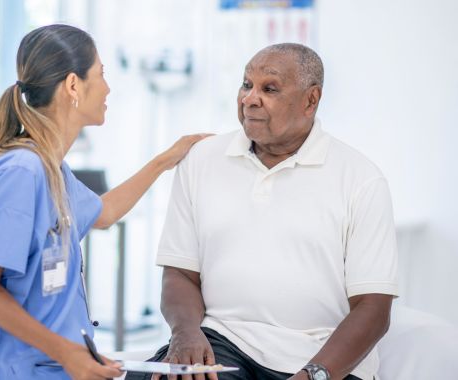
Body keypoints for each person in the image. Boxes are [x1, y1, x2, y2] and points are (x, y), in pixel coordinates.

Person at [125, 44, 398, 380]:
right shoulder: (202, 160)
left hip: (317, 357)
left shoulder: (361, 179)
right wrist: (185, 333)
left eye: (269, 89)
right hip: (223, 344)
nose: (249, 99)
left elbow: (373, 309)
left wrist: (316, 374)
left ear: (310, 100)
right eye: (245, 84)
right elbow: (180, 272)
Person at [0, 24, 209, 380]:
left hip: (56, 368)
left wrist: (167, 160)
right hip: (18, 371)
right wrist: (67, 353)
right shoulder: (21, 171)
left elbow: (104, 213)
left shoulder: (52, 168)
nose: (108, 88)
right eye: (101, 74)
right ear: (74, 85)